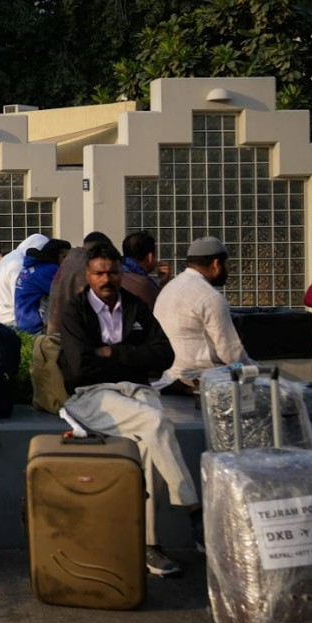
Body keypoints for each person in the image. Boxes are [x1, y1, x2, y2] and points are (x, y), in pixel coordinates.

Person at [57, 244, 202, 577]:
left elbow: (164, 356)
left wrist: (112, 353)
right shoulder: (74, 311)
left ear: (122, 273)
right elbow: (80, 369)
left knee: (150, 445)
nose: (106, 279)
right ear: (88, 276)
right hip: (91, 395)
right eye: (99, 273)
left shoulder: (136, 306)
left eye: (113, 272)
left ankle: (149, 545)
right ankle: (194, 509)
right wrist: (132, 356)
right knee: (155, 420)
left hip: (136, 390)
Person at [151, 236, 256, 394]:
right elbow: (230, 353)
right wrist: (255, 372)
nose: (229, 269)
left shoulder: (169, 289)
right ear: (216, 264)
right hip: (201, 380)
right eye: (227, 264)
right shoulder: (210, 297)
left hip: (168, 379)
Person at [13, 238, 72, 334]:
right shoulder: (48, 269)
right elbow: (65, 293)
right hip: (36, 325)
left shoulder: (31, 267)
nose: (67, 262)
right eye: (64, 257)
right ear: (55, 255)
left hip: (23, 320)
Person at [0, 233, 49, 327]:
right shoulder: (19, 263)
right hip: (12, 318)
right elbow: (20, 296)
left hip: (1, 314)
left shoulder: (10, 257)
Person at [120, 231, 170, 311]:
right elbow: (163, 310)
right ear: (150, 257)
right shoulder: (143, 284)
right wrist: (164, 284)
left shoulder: (117, 273)